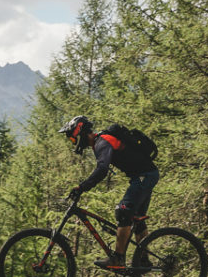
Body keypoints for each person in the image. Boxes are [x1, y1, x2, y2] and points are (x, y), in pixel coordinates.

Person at [60, 115, 159, 269]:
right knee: (136, 218)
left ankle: (118, 259)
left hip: (145, 176)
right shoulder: (100, 142)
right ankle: (143, 261)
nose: (73, 142)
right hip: (145, 175)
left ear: (79, 132)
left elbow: (102, 170)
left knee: (123, 211)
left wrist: (82, 187)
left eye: (72, 138)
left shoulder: (102, 142)